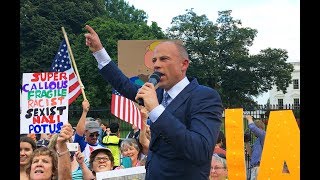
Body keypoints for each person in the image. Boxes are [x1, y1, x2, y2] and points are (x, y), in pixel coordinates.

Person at [84, 24, 223, 179]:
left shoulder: (204, 96)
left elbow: (200, 150)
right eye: (154, 60)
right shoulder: (157, 94)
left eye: (164, 59)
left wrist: (156, 109)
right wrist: (99, 52)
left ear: (184, 64)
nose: (156, 65)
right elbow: (125, 86)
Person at [74, 99, 104, 166]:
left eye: (97, 135)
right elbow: (79, 133)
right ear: (85, 132)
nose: (95, 137)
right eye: (91, 135)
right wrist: (84, 112)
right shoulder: (82, 145)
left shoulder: (102, 148)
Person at [244, 115, 266, 180]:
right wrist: (247, 142)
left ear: (259, 128)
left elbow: (252, 128)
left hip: (260, 168)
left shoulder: (264, 135)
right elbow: (251, 154)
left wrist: (249, 119)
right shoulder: (258, 140)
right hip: (254, 168)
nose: (253, 133)